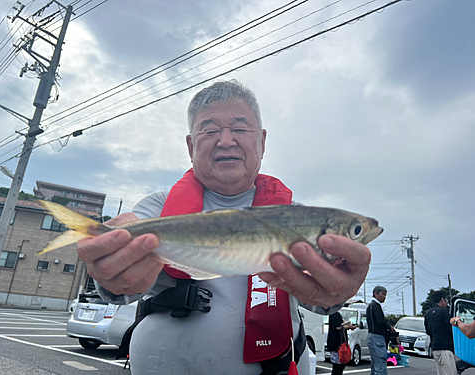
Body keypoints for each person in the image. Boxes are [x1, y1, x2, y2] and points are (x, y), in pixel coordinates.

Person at [76, 79, 372, 375]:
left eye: (240, 129)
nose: (226, 141)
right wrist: (110, 274)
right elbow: (116, 287)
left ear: (262, 142)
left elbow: (324, 303)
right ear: (191, 145)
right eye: (210, 130)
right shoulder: (157, 210)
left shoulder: (297, 217)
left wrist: (338, 291)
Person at [425, 291, 457, 375]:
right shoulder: (443, 312)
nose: (446, 303)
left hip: (435, 347)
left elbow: (428, 330)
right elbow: (451, 329)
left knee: (442, 371)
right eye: (446, 300)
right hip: (445, 348)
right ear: (442, 300)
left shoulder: (428, 313)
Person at [366, 286, 394, 375]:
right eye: (382, 294)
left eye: (385, 295)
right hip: (378, 336)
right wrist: (389, 327)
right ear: (375, 294)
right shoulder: (376, 305)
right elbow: (380, 321)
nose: (384, 297)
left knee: (375, 364)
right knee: (380, 364)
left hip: (371, 336)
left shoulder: (370, 306)